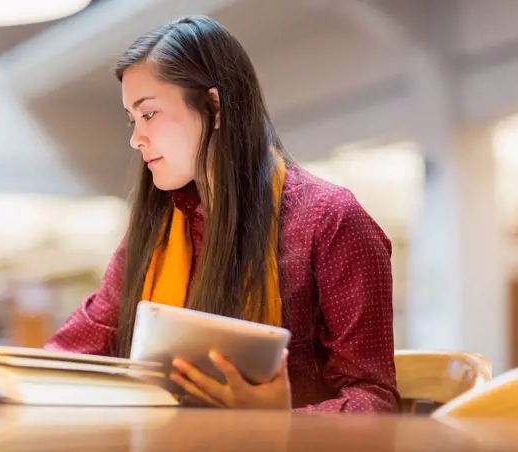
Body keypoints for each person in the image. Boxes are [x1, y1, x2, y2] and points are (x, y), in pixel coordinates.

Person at [45, 15, 400, 413]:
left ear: (214, 106)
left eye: (148, 114)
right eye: (132, 119)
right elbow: (75, 350)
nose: (135, 138)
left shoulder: (331, 219)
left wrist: (278, 424)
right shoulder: (157, 228)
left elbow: (375, 402)